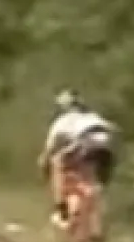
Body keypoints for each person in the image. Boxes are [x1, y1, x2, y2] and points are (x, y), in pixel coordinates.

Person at [37, 89, 118, 224]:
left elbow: (49, 149)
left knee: (56, 161)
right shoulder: (93, 116)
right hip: (107, 146)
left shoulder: (62, 121)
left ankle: (60, 205)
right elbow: (112, 129)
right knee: (96, 182)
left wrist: (43, 167)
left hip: (84, 144)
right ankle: (97, 212)